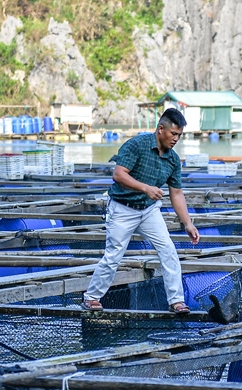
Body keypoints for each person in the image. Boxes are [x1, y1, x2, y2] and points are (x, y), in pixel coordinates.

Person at [83, 108, 200, 314]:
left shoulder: (173, 160)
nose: (176, 139)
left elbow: (177, 194)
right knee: (114, 255)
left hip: (148, 211)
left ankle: (176, 301)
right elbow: (119, 175)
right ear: (160, 129)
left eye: (179, 135)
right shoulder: (137, 145)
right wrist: (145, 188)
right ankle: (92, 297)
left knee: (168, 250)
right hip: (122, 208)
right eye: (173, 134)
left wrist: (188, 223)